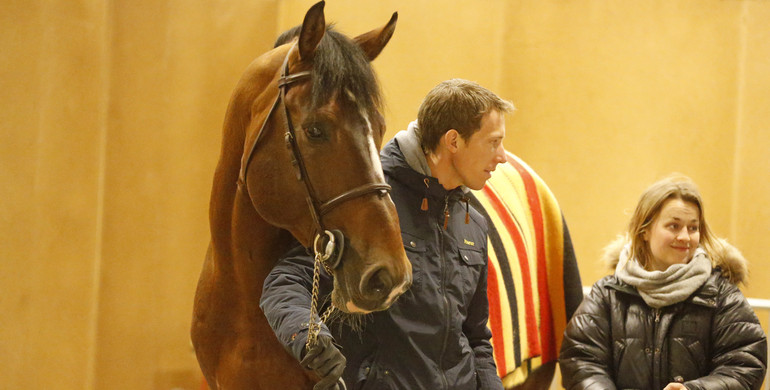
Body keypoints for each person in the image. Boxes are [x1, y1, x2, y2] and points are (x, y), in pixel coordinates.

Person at [260, 79, 514, 389]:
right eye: (493, 141)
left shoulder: (472, 220)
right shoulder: (367, 203)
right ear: (453, 141)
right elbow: (286, 280)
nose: (502, 155)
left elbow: (475, 336)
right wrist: (310, 338)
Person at [559, 175, 767, 390]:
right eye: (674, 226)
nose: (685, 237)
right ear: (645, 231)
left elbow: (745, 365)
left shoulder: (722, 296)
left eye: (693, 228)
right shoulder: (607, 294)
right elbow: (580, 361)